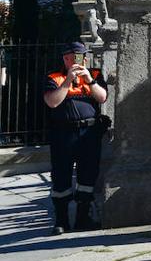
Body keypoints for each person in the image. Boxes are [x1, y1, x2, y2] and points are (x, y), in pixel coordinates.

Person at [43, 41, 108, 234]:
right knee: (61, 175)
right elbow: (52, 102)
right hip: (63, 133)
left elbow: (102, 97)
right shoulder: (54, 77)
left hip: (89, 133)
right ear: (63, 59)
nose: (72, 62)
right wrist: (67, 81)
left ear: (84, 59)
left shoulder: (94, 75)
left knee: (88, 175)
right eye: (68, 58)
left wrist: (89, 80)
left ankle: (83, 217)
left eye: (76, 58)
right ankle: (61, 220)